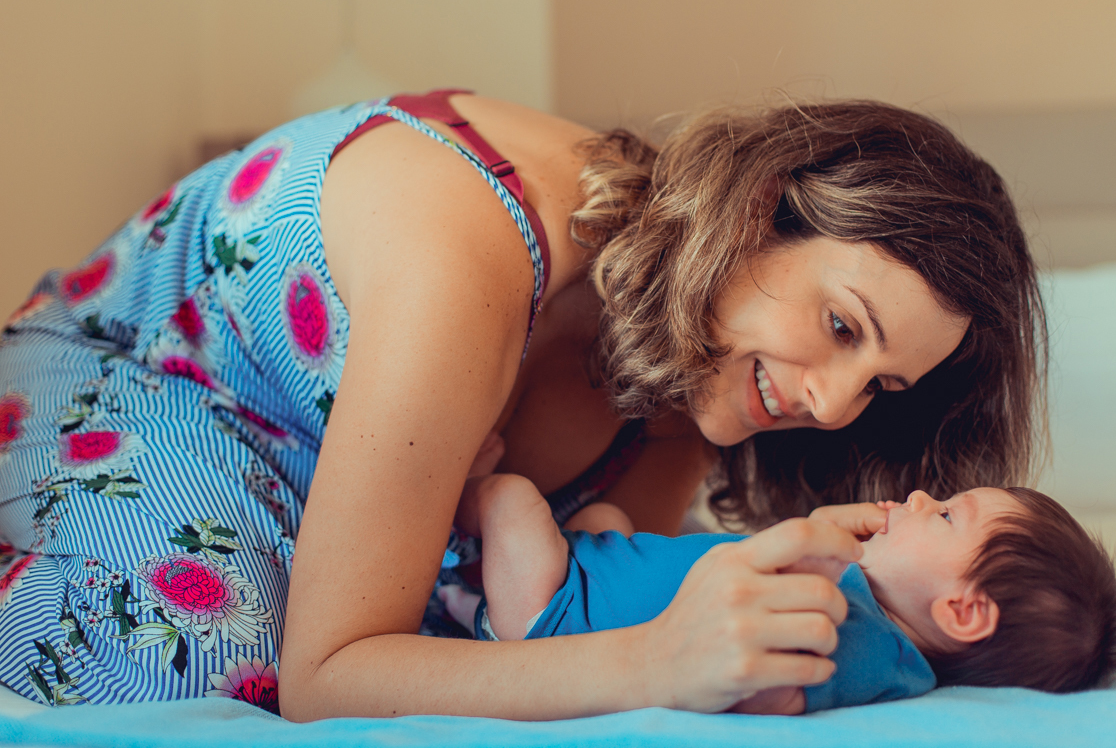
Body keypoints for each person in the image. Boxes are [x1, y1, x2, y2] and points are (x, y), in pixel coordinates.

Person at [0, 89, 1045, 719]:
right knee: (204, 653)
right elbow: (328, 679)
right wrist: (655, 660)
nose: (830, 403)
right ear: (758, 212)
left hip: (307, 487)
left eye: (880, 386)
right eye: (842, 326)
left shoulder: (693, 382)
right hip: (134, 379)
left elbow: (558, 611)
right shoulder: (463, 259)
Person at [440, 476, 1116, 714]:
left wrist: (819, 543)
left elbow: (769, 689)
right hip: (588, 573)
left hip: (561, 617)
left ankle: (449, 535)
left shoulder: (868, 647)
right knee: (606, 521)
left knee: (509, 496)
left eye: (948, 515)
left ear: (963, 610)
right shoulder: (872, 615)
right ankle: (472, 597)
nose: (923, 496)